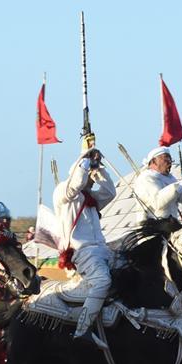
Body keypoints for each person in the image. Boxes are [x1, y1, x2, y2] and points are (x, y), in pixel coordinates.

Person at [54, 146, 117, 349]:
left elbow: (110, 191)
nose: (90, 177)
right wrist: (86, 159)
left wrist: (98, 168)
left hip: (102, 249)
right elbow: (76, 184)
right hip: (82, 251)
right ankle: (83, 330)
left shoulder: (91, 197)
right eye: (88, 172)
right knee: (102, 281)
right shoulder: (63, 193)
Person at [133, 147, 182, 223]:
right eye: (166, 159)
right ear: (154, 161)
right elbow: (158, 202)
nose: (170, 162)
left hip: (171, 223)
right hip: (152, 225)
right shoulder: (146, 178)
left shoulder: (170, 178)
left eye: (170, 160)